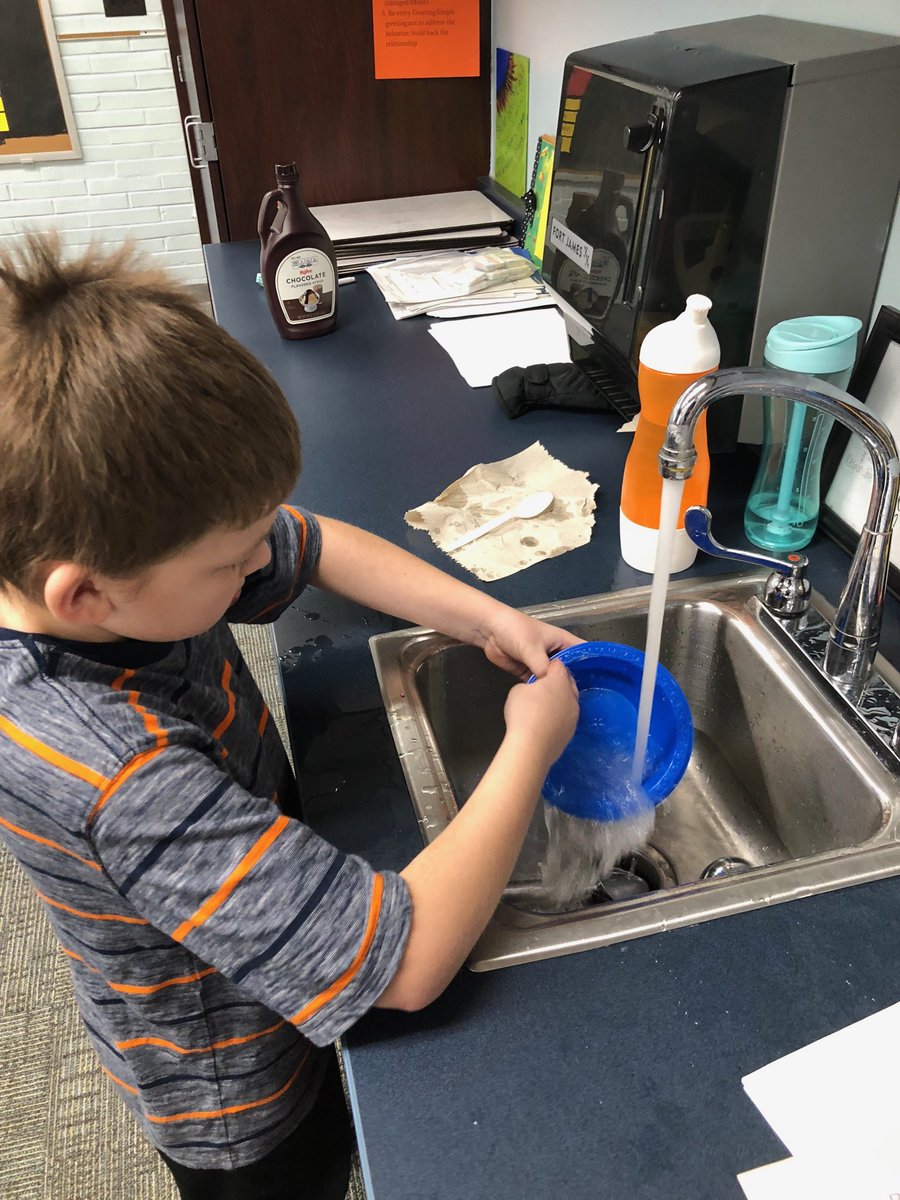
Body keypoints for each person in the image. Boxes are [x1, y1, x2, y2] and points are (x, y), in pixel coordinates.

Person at [0, 234, 580, 1200]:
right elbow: (405, 962)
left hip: (259, 930)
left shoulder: (119, 569)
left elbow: (309, 544)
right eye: (230, 563)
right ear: (85, 596)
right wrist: (531, 745)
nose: (257, 563)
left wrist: (485, 617)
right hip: (236, 1087)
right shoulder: (113, 771)